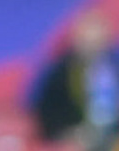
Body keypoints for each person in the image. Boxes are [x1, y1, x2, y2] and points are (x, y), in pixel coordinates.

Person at [34, 11, 119, 143]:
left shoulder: (115, 69)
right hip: (72, 141)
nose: (92, 47)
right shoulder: (59, 74)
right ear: (76, 41)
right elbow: (46, 113)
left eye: (97, 41)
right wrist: (67, 135)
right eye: (87, 41)